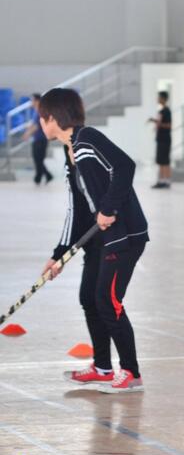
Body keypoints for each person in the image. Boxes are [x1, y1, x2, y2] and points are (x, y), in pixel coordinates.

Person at [38, 88, 149, 393]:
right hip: (99, 240)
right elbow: (77, 207)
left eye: (42, 118)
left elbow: (125, 166)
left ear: (52, 118)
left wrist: (109, 207)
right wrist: (59, 253)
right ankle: (102, 367)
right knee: (89, 297)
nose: (41, 124)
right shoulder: (70, 152)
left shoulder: (88, 139)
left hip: (124, 236)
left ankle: (131, 373)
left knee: (107, 300)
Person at [22, 93, 52, 185]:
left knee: (38, 159)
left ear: (37, 101)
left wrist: (27, 133)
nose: (31, 102)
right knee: (38, 159)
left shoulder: (40, 111)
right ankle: (45, 176)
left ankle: (40, 177)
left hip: (41, 139)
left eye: (32, 100)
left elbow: (36, 126)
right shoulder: (36, 111)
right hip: (37, 139)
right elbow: (34, 123)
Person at [149, 91, 172, 189]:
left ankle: (166, 181)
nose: (157, 99)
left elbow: (169, 125)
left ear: (163, 98)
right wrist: (155, 122)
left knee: (165, 161)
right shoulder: (161, 111)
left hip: (165, 139)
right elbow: (160, 122)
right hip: (160, 139)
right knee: (160, 160)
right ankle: (161, 180)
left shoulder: (166, 111)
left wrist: (158, 123)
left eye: (159, 97)